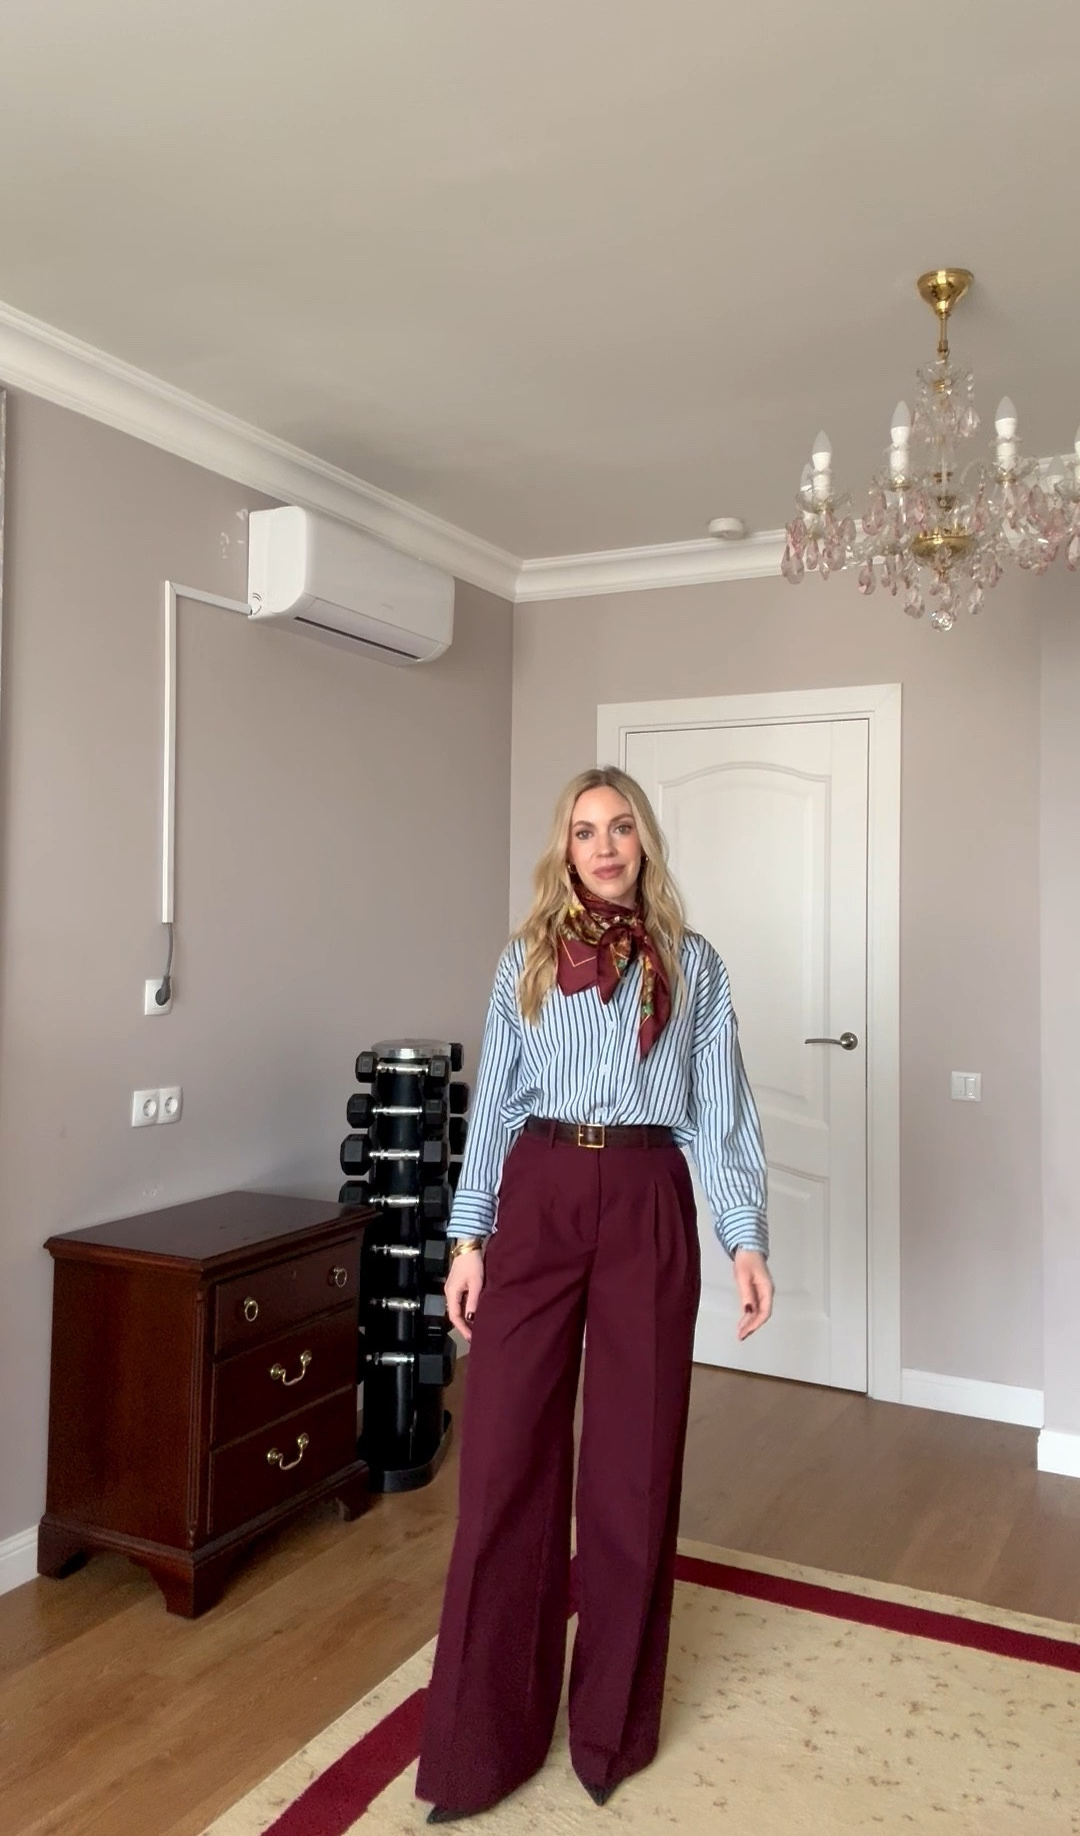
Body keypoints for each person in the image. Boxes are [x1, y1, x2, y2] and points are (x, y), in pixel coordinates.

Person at [415, 767, 772, 1824]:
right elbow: (493, 1104)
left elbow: (722, 1109)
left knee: (633, 1466)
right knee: (502, 1462)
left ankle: (610, 1731)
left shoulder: (693, 965)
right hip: (540, 1193)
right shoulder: (525, 958)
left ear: (644, 841)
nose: (605, 846)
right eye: (584, 830)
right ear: (564, 848)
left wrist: (744, 1237)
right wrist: (468, 1238)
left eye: (620, 828)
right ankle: (482, 1744)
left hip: (651, 1194)